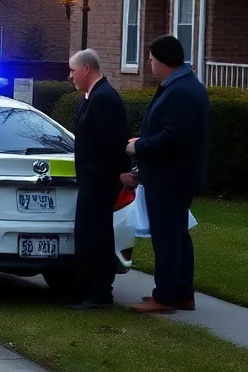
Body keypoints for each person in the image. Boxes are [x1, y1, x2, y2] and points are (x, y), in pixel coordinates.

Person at [127, 35, 210, 314]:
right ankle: (182, 292)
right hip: (176, 175)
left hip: (170, 177)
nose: (149, 65)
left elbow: (173, 137)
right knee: (178, 234)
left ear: (162, 62)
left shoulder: (181, 91)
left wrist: (139, 146)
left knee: (166, 236)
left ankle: (165, 295)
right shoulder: (183, 86)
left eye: (151, 60)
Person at [66, 49, 130, 309]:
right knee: (89, 234)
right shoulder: (91, 98)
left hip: (100, 180)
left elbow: (110, 143)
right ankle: (86, 289)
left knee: (97, 236)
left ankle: (100, 291)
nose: (70, 76)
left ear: (86, 69)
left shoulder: (103, 99)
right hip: (92, 179)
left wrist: (115, 173)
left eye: (72, 70)